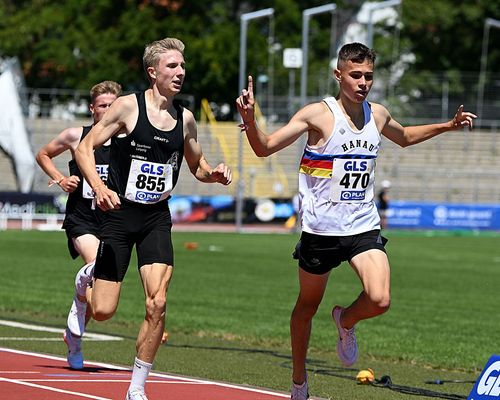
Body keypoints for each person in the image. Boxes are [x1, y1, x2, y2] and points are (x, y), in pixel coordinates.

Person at [236, 42, 476, 400]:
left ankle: (345, 320)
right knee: (306, 306)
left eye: (368, 76)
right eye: (356, 75)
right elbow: (264, 147)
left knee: (380, 299)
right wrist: (250, 120)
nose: (363, 82)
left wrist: (448, 125)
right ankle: (299, 382)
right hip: (321, 231)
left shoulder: (376, 114)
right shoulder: (317, 115)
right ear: (338, 75)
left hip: (363, 226)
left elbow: (406, 137)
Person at [75, 37, 232, 400]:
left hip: (155, 218)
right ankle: (86, 281)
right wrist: (98, 186)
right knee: (102, 311)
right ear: (153, 72)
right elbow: (85, 148)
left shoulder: (186, 119)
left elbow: (198, 166)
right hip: (118, 214)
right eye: (172, 66)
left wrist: (215, 174)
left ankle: (137, 387)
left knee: (157, 303)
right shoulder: (127, 108)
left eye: (182, 66)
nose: (181, 72)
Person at [36, 80, 122, 370]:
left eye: (113, 105)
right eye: (102, 106)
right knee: (96, 264)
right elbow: (43, 154)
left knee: (100, 295)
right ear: (92, 109)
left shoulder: (128, 139)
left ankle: (74, 338)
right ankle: (78, 311)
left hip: (114, 221)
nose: (108, 110)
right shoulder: (76, 136)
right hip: (82, 218)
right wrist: (62, 179)